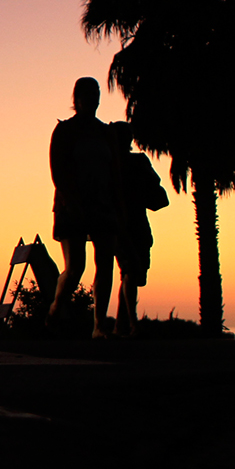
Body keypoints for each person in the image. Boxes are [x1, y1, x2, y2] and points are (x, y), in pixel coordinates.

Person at [47, 77, 119, 338]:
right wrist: (72, 203)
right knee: (76, 267)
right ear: (76, 99)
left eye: (96, 93)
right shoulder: (65, 131)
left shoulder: (105, 132)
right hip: (72, 207)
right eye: (87, 94)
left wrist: (115, 203)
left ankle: (99, 325)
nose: (93, 99)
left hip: (103, 205)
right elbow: (59, 172)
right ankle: (56, 306)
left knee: (105, 264)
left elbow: (116, 172)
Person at [108, 121, 169, 337]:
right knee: (131, 271)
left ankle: (121, 326)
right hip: (120, 226)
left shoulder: (135, 162)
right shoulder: (111, 164)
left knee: (132, 274)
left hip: (136, 224)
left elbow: (155, 188)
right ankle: (131, 324)